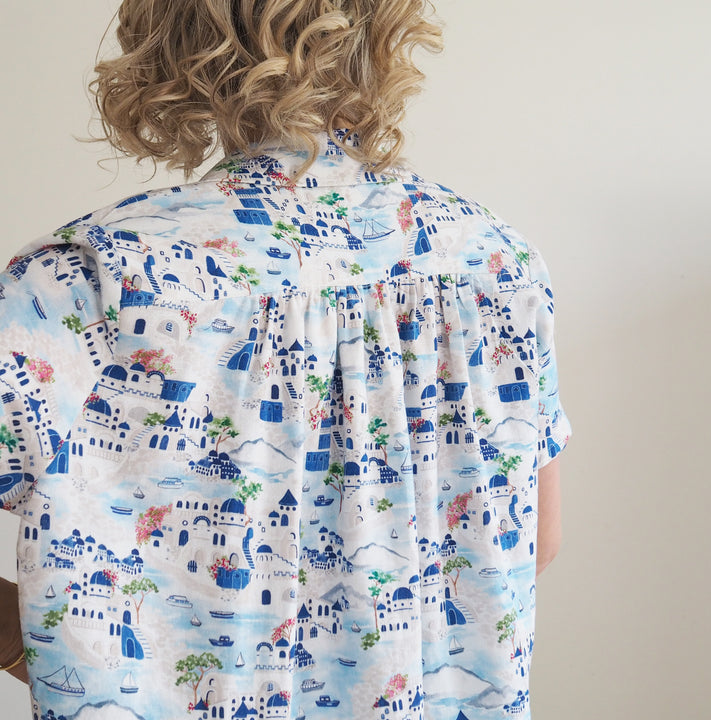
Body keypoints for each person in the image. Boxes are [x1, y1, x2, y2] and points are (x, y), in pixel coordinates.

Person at [0, 2, 570, 718]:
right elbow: (536, 541)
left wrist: (34, 646)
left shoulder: (83, 283)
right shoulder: (499, 263)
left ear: (173, 35)